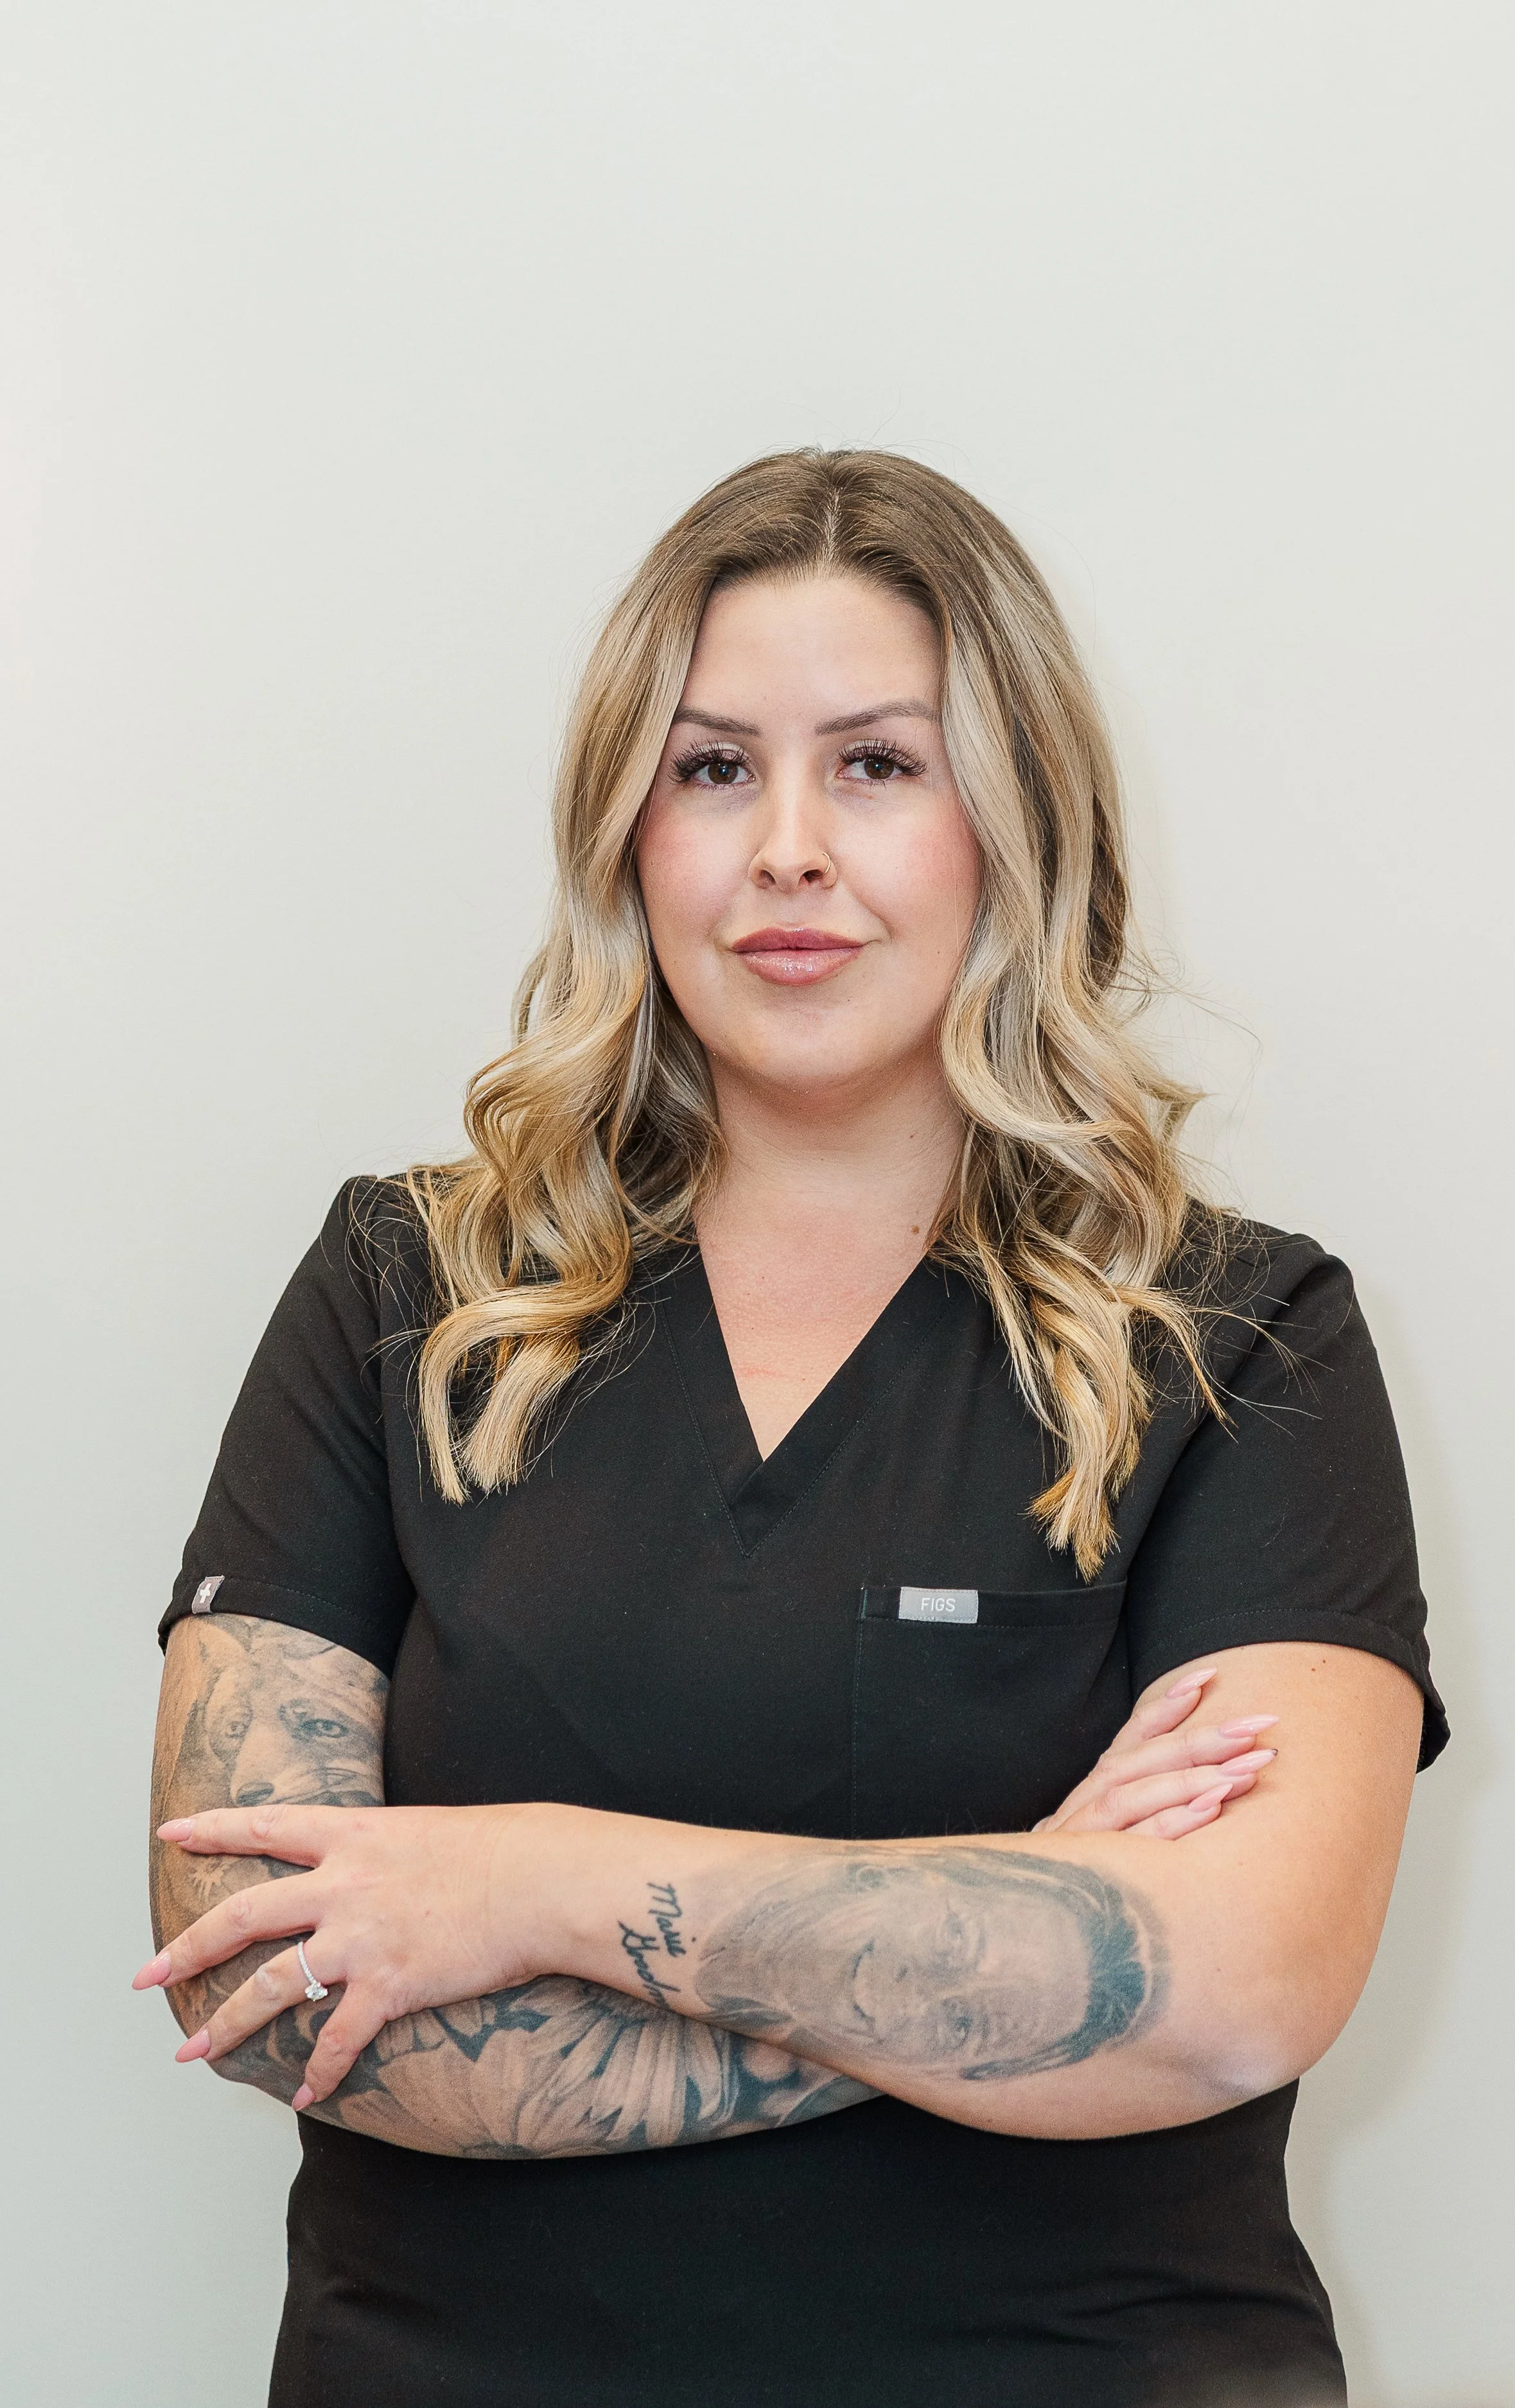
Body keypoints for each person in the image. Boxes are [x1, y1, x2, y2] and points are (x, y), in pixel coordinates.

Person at [138, 448, 1447, 2408]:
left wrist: (538, 1883)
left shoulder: (1237, 1336)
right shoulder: (405, 1294)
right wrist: (1002, 1928)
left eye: (880, 764)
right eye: (712, 766)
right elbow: (269, 1984)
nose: (788, 853)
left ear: (1014, 822)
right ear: (625, 828)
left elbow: (1236, 1988)